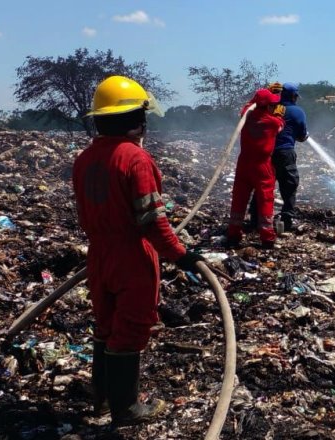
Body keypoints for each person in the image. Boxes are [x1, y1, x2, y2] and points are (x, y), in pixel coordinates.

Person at [73, 75, 204, 427]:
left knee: (105, 325)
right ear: (137, 120)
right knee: (129, 329)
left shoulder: (84, 159)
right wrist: (183, 255)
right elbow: (153, 222)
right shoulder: (136, 159)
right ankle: (125, 409)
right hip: (131, 256)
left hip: (99, 255)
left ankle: (100, 403)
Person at [227, 88, 285, 248]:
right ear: (267, 106)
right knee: (265, 200)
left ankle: (233, 233)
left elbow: (245, 109)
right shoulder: (273, 122)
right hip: (262, 166)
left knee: (239, 199)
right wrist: (279, 114)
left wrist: (253, 103)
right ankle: (267, 237)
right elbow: (281, 125)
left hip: (244, 164)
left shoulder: (245, 118)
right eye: (272, 104)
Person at [248, 82, 308, 232]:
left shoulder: (269, 109)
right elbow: (301, 136)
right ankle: (287, 220)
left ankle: (255, 218)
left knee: (263, 185)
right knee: (289, 185)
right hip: (285, 153)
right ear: (293, 96)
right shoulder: (297, 112)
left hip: (265, 153)